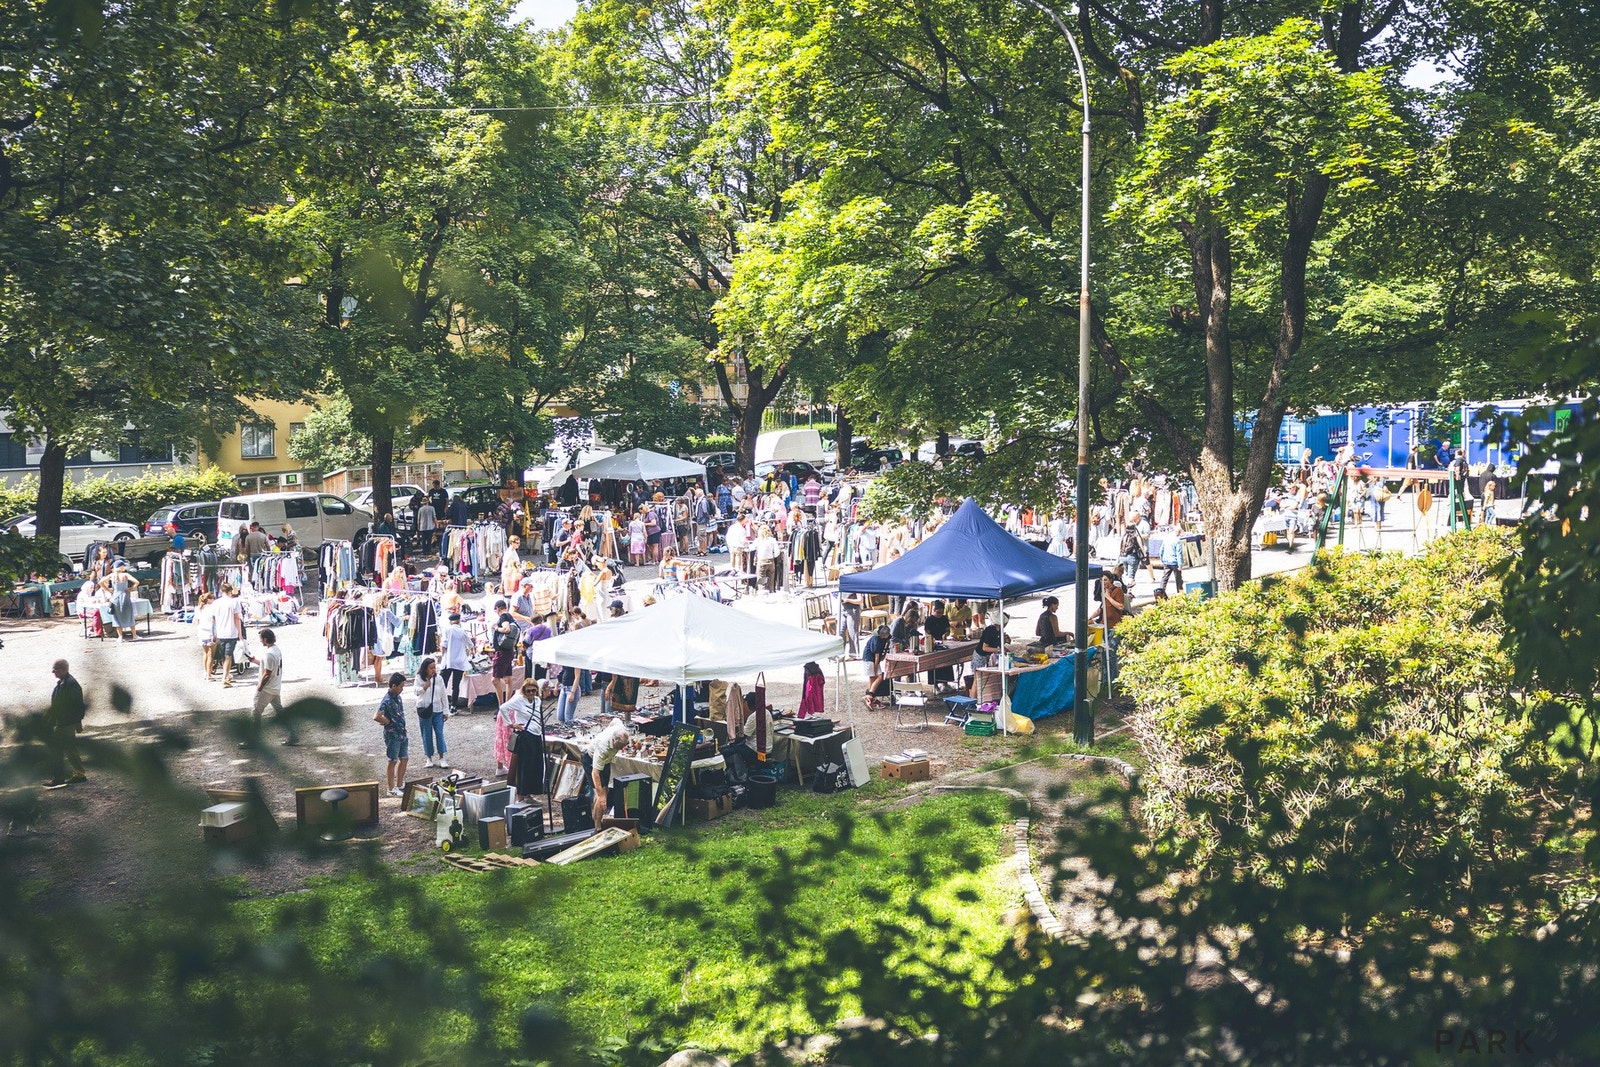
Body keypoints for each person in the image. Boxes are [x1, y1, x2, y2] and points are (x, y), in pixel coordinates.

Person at [247, 628, 294, 746]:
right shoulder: (276, 650)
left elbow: (267, 673)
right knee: (280, 712)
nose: (260, 641)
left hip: (267, 689)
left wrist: (260, 686)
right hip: (275, 687)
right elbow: (270, 667)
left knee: (256, 713)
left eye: (261, 639)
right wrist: (255, 661)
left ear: (265, 639)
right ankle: (293, 734)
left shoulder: (269, 654)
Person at [585, 715, 632, 830]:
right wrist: (601, 795)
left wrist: (606, 730)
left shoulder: (620, 728)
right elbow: (595, 773)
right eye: (619, 746)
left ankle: (595, 817)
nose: (621, 749)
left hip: (606, 762)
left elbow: (616, 720)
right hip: (591, 760)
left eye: (623, 746)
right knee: (601, 794)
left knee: (605, 790)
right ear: (613, 740)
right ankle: (597, 825)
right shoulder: (603, 747)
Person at [46, 659, 87, 786]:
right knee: (69, 749)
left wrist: (76, 722)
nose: (53, 672)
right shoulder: (63, 683)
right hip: (62, 722)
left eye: (56, 669)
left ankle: (60, 777)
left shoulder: (71, 684)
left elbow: (77, 705)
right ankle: (77, 774)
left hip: (66, 723)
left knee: (61, 749)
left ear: (64, 669)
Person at [496, 677, 543, 777]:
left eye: (533, 690)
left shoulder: (537, 700)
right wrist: (511, 724)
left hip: (536, 733)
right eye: (528, 691)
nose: (531, 693)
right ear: (524, 691)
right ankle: (521, 790)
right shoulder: (519, 700)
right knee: (524, 763)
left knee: (535, 762)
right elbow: (503, 708)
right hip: (525, 734)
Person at [375, 672, 409, 797]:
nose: (402, 689)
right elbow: (377, 716)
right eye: (401, 686)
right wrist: (387, 721)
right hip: (392, 735)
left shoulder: (398, 698)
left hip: (402, 733)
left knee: (404, 758)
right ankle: (391, 788)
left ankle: (399, 784)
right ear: (393, 686)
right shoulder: (387, 700)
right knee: (392, 760)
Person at [414, 656, 451, 769]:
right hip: (425, 709)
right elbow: (416, 692)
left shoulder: (439, 679)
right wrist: (424, 687)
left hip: (438, 709)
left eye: (434, 667)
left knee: (439, 733)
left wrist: (446, 711)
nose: (433, 670)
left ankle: (442, 757)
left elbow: (443, 695)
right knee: (426, 734)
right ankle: (429, 758)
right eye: (431, 668)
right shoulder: (419, 678)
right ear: (425, 668)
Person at [96, 560, 139, 640]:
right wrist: (130, 588)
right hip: (124, 596)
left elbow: (100, 582)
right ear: (121, 567)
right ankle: (134, 636)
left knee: (116, 617)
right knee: (129, 615)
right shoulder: (125, 575)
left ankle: (120, 637)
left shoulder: (112, 575)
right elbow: (137, 582)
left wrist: (108, 589)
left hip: (115, 597)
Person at [213, 582, 245, 684]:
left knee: (223, 655)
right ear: (230, 591)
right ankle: (225, 677)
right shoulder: (234, 602)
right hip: (231, 632)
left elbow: (213, 620)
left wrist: (213, 633)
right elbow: (237, 618)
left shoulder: (216, 603)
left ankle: (226, 674)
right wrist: (240, 634)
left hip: (220, 632)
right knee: (228, 655)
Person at [490, 600, 519, 704]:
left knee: (495, 680)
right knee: (508, 678)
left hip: (502, 652)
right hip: (509, 651)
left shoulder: (504, 616)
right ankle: (507, 703)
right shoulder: (511, 617)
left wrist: (496, 628)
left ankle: (501, 705)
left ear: (498, 608)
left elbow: (506, 629)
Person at [440, 611, 469, 710]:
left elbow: (443, 645)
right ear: (458, 621)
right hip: (459, 662)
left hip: (448, 661)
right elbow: (470, 644)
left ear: (451, 621)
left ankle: (442, 703)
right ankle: (453, 705)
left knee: (443, 683)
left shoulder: (447, 630)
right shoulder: (462, 631)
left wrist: (443, 657)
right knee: (456, 685)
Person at [967, 620, 1004, 695]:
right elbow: (985, 648)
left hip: (988, 656)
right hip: (980, 656)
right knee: (977, 679)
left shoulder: (999, 631)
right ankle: (972, 700)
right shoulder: (990, 630)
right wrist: (999, 650)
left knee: (984, 680)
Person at [862, 623, 892, 707]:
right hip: (869, 659)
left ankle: (870, 697)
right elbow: (876, 657)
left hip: (875, 660)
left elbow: (888, 641)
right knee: (875, 677)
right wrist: (875, 670)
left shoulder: (886, 637)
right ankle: (870, 696)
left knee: (875, 678)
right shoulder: (876, 640)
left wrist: (885, 650)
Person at [194, 591, 217, 679]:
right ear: (209, 600)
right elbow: (213, 622)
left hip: (201, 632)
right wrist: (213, 633)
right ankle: (209, 674)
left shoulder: (198, 608)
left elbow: (196, 621)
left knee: (205, 653)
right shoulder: (211, 609)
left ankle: (205, 671)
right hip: (209, 632)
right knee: (211, 654)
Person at [753, 523, 781, 593]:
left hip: (762, 561)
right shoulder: (773, 540)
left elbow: (751, 548)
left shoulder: (758, 540)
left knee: (761, 580)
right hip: (771, 561)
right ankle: (771, 593)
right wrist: (773, 556)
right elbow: (777, 552)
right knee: (771, 580)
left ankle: (763, 594)